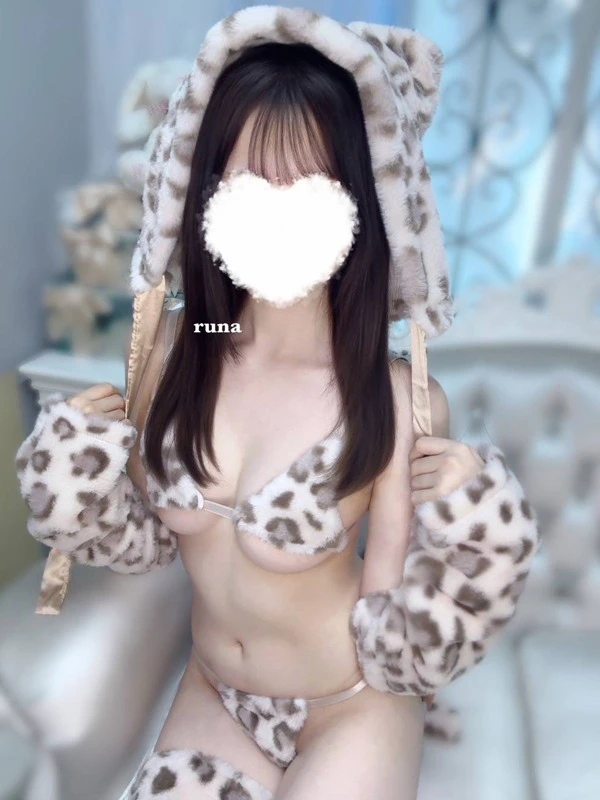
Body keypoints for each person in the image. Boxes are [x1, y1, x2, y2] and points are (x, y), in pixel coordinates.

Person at [15, 8, 539, 799]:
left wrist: (476, 533)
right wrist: (75, 476)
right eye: (248, 183)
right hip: (216, 692)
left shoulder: (398, 398)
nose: (276, 210)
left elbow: (398, 617)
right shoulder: (178, 348)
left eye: (309, 185)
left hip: (350, 705)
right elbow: (142, 539)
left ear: (362, 203)